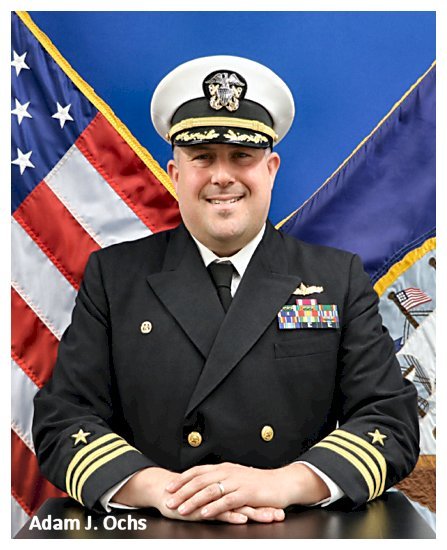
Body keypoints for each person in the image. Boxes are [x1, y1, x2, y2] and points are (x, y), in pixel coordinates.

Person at [32, 55, 419, 525]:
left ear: (270, 169)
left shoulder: (337, 279)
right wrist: (160, 489)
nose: (222, 176)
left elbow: (390, 420)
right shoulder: (115, 278)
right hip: (156, 528)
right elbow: (63, 420)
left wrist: (284, 483)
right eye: (202, 157)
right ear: (176, 174)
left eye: (241, 156)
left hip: (292, 529)